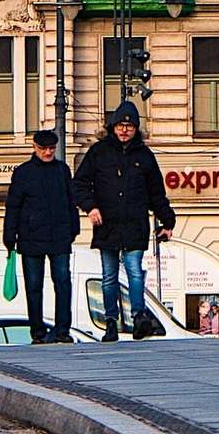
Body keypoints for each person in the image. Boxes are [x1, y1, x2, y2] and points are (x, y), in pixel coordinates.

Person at [72, 101, 176, 341]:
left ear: (136, 129)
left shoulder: (145, 156)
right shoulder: (99, 152)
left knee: (135, 272)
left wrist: (168, 221)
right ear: (113, 127)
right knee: (108, 275)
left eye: (129, 126)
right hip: (106, 223)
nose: (124, 130)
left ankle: (139, 317)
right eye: (120, 125)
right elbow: (78, 184)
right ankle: (110, 322)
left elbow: (156, 193)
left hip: (134, 224)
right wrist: (90, 207)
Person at [3, 129, 80, 344]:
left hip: (60, 235)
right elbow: (13, 206)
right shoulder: (23, 173)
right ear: (35, 148)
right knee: (34, 285)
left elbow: (70, 200)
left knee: (63, 282)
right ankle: (37, 332)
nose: (48, 152)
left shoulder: (62, 170)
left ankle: (62, 330)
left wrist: (73, 228)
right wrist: (10, 236)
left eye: (52, 149)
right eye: (44, 148)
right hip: (31, 236)